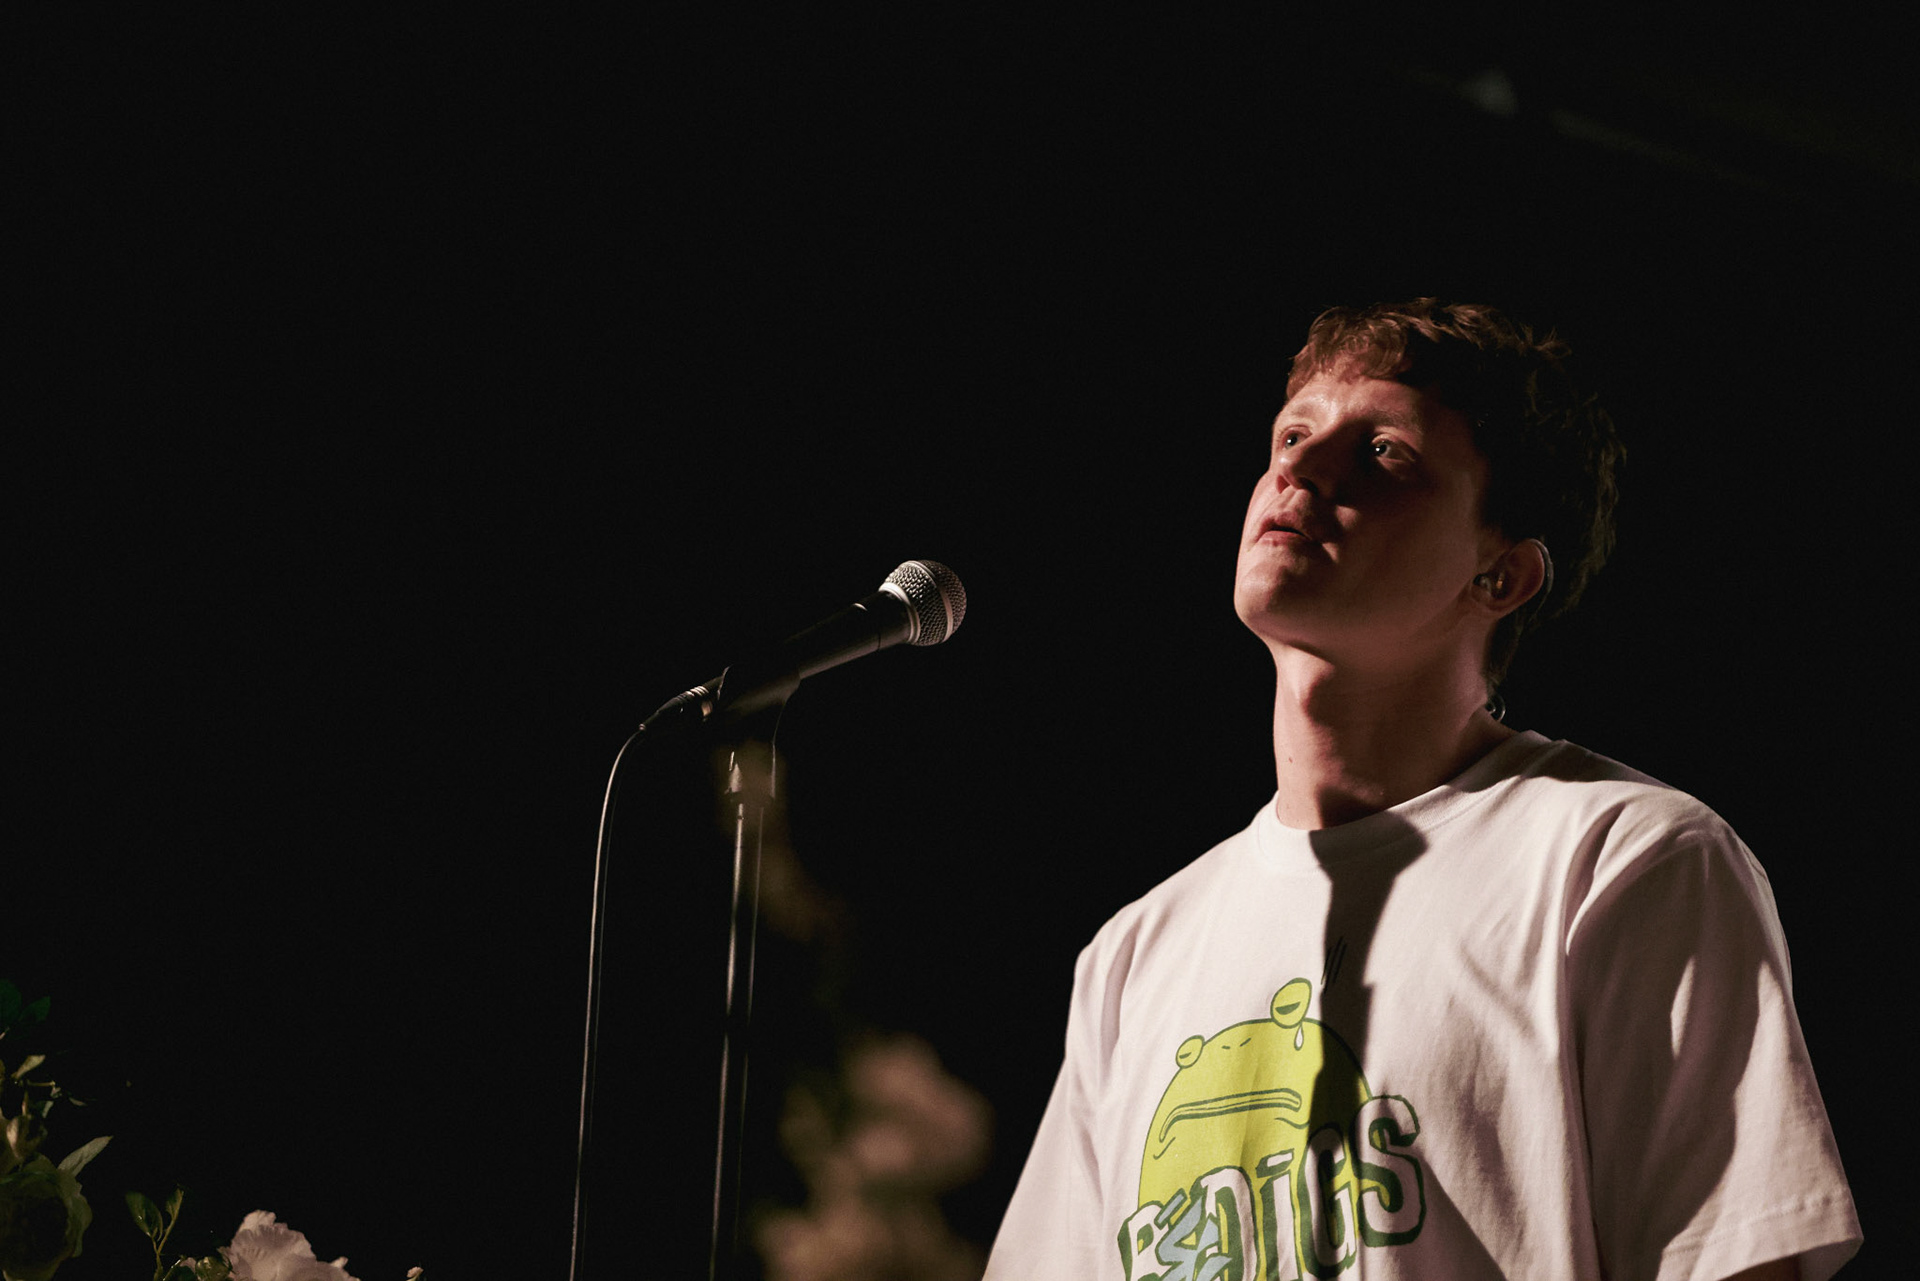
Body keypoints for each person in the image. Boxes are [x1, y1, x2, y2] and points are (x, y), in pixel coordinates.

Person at [982, 300, 1860, 1280]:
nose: (1301, 470)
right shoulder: (1135, 953)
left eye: (1384, 453)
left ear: (1502, 576)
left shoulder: (1622, 859)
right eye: (1292, 435)